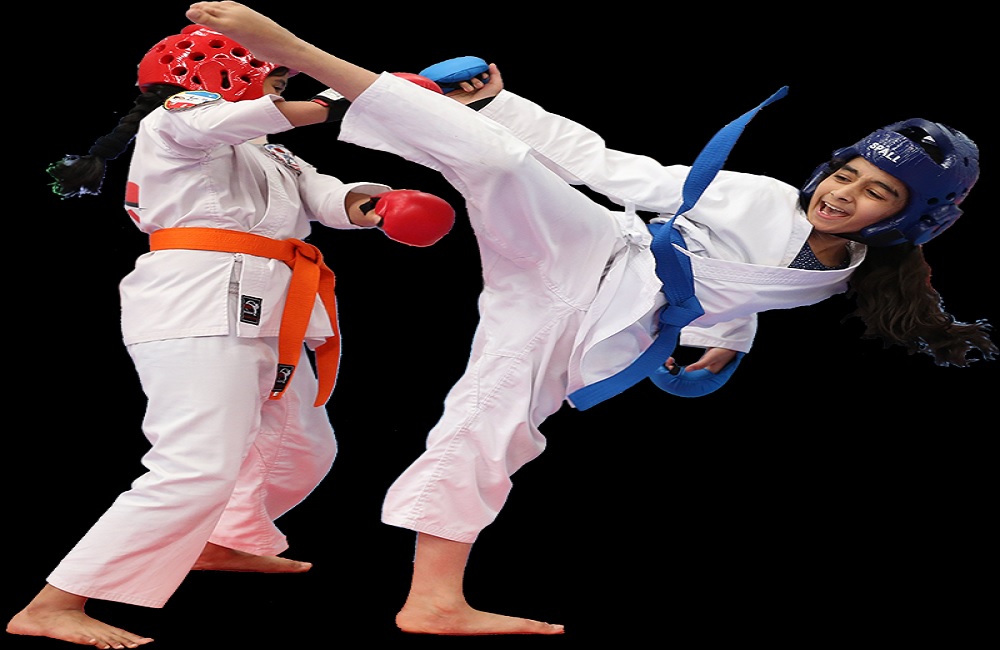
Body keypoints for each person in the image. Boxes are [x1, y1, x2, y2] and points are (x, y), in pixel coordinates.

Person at [180, 1, 996, 637]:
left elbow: (739, 292)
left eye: (876, 192)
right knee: (498, 161)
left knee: (494, 423)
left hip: (598, 321)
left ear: (905, 220)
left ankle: (431, 600)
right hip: (594, 246)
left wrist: (722, 342)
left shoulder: (835, 279)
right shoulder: (759, 195)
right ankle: (305, 56)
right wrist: (502, 106)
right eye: (848, 173)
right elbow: (615, 168)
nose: (845, 194)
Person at [7, 19, 455, 649]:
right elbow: (235, 121)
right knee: (195, 465)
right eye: (273, 70)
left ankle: (220, 540)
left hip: (272, 308)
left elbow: (324, 197)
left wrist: (379, 208)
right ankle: (55, 602)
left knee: (303, 448)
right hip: (197, 303)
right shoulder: (177, 120)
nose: (283, 79)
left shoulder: (267, 149)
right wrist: (349, 96)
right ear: (219, 72)